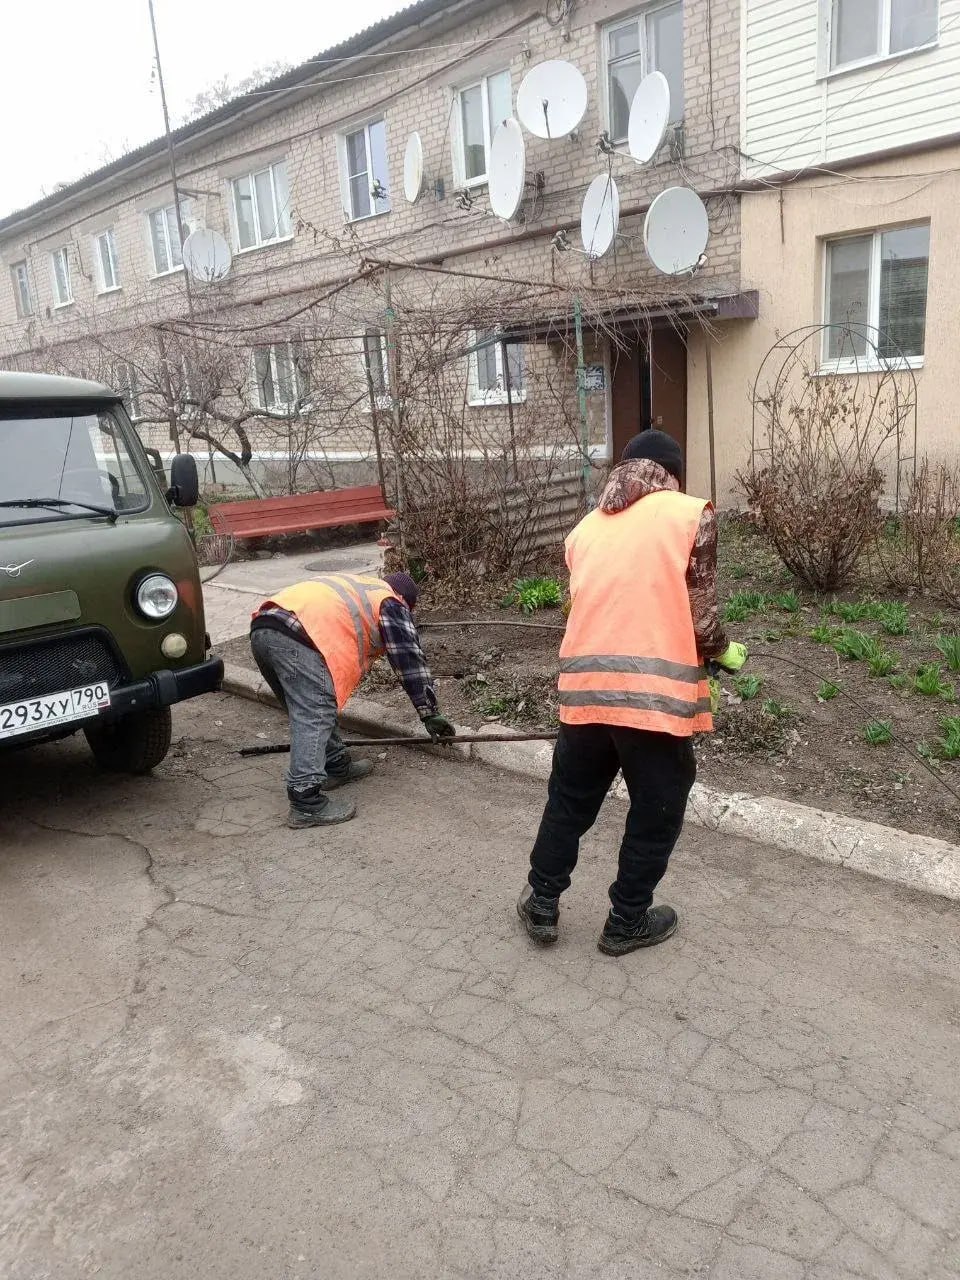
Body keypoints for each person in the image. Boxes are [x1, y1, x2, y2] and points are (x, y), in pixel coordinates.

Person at [517, 430, 747, 956]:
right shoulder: (689, 513)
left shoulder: (584, 528)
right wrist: (723, 652)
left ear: (624, 470)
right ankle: (627, 920)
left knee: (570, 801)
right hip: (653, 699)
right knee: (657, 805)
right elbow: (702, 615)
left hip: (585, 692)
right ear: (672, 473)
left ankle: (542, 903)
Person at [249, 570, 455, 828]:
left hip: (265, 628)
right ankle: (306, 802)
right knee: (315, 713)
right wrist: (429, 712)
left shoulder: (364, 586)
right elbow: (408, 660)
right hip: (297, 636)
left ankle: (336, 765)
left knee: (315, 705)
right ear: (405, 599)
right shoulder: (390, 602)